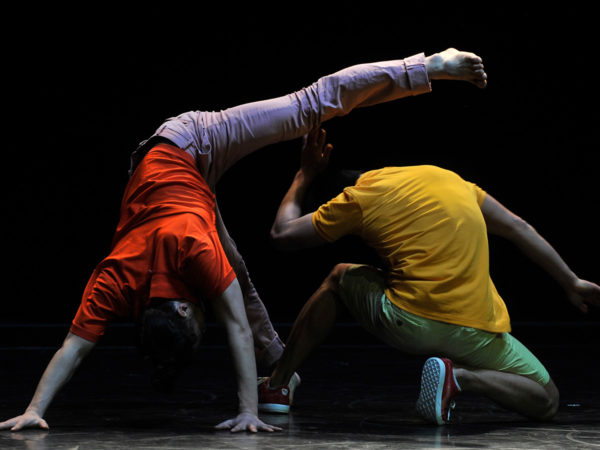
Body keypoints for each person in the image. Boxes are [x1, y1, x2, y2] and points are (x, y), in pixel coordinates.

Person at [0, 47, 488, 433]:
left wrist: (246, 412)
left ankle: (428, 66)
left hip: (191, 142)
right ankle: (281, 371)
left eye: (200, 320)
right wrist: (34, 409)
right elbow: (74, 347)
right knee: (238, 274)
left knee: (309, 105)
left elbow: (234, 324)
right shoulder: (118, 282)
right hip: (183, 193)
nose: (206, 313)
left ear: (184, 309)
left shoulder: (192, 250)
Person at [257, 126, 600, 424]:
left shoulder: (356, 198)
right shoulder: (451, 179)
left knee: (338, 276)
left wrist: (304, 175)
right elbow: (517, 226)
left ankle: (278, 385)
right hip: (478, 331)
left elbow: (282, 234)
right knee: (547, 397)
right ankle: (461, 378)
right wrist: (570, 281)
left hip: (413, 322)